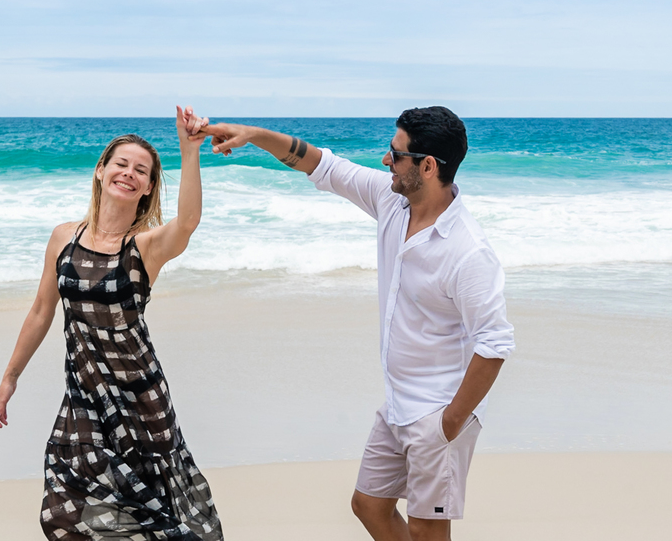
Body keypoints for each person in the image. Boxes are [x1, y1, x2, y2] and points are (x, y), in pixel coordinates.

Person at [199, 106, 514, 541]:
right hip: (397, 404)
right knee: (368, 505)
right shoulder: (392, 201)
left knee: (427, 530)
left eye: (396, 153)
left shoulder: (467, 251)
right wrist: (252, 134)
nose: (386, 160)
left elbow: (494, 343)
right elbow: (321, 163)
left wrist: (449, 423)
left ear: (427, 166)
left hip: (438, 412)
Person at [0, 107, 223, 541]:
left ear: (149, 187)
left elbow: (187, 222)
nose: (128, 174)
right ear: (100, 171)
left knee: (156, 514)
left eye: (141, 170)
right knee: (65, 510)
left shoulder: (143, 247)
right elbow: (42, 309)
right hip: (84, 394)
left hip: (140, 398)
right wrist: (9, 378)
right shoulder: (64, 237)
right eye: (120, 164)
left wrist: (190, 153)